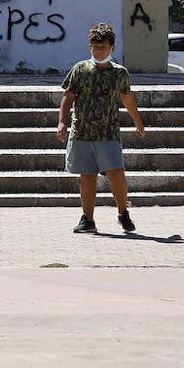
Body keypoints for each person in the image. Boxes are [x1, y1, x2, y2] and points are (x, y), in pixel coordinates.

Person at [55, 22, 147, 234]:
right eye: (96, 47)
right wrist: (62, 121)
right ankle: (88, 218)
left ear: (112, 48)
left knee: (116, 174)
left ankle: (123, 212)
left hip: (108, 132)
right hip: (82, 131)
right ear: (90, 47)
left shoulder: (120, 73)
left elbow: (127, 98)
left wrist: (138, 122)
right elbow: (68, 97)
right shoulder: (80, 69)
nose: (99, 51)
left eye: (103, 47)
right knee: (87, 175)